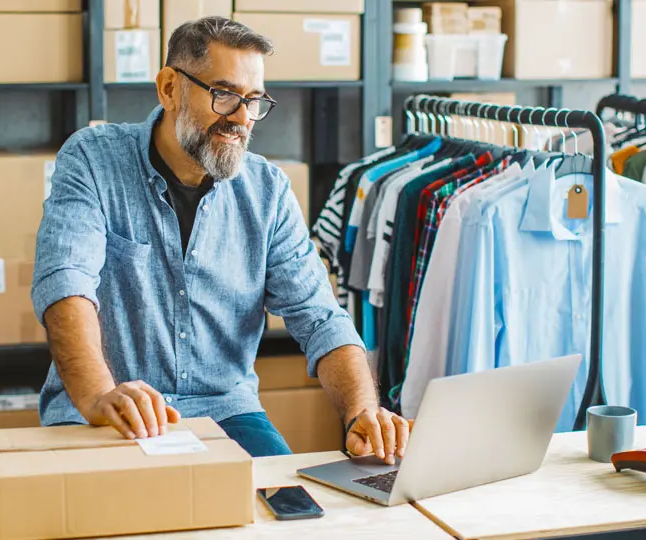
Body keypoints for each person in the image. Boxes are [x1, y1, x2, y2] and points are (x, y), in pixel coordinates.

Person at [32, 16, 410, 464]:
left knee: (291, 518)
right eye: (225, 94)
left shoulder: (267, 190)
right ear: (169, 88)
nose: (241, 119)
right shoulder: (92, 159)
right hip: (110, 409)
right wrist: (97, 394)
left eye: (254, 101)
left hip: (226, 414)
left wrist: (362, 410)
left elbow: (320, 317)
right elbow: (66, 283)